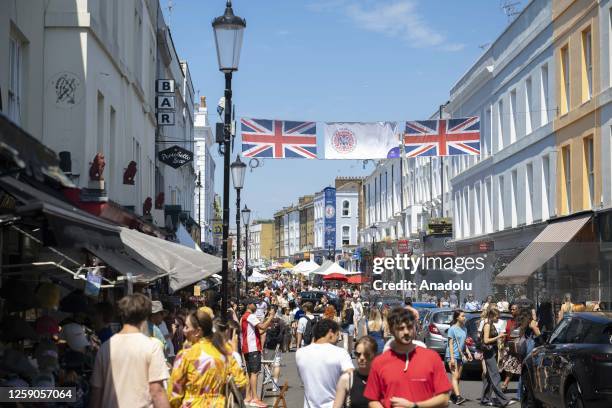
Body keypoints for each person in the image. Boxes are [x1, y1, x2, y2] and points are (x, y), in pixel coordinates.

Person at [90, 294, 170, 408]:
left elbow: (97, 391)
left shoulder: (106, 348)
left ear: (122, 316)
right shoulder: (152, 347)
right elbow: (157, 391)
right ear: (145, 316)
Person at [364, 307, 450, 408]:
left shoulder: (432, 357)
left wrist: (414, 406)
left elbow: (444, 399)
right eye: (401, 328)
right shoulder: (379, 362)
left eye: (409, 327)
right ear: (391, 329)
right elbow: (373, 400)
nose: (406, 332)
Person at [168, 310, 247, 407]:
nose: (184, 330)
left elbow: (174, 394)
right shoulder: (224, 352)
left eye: (187, 327)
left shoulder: (186, 355)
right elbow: (241, 382)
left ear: (197, 331)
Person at [296, 319, 354, 408]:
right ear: (331, 332)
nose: (338, 339)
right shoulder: (340, 353)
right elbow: (351, 378)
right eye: (337, 335)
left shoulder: (300, 353)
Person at [241, 298, 276, 408]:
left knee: (249, 373)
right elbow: (262, 327)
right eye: (254, 304)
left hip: (247, 348)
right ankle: (255, 398)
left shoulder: (243, 317)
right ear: (249, 305)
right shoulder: (250, 316)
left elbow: (260, 331)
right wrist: (271, 316)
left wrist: (266, 324)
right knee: (255, 373)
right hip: (253, 348)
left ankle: (248, 397)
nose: (256, 306)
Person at [480, 308, 515, 407]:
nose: (498, 318)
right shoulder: (487, 325)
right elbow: (486, 340)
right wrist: (498, 337)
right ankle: (503, 400)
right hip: (489, 352)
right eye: (496, 316)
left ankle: (485, 399)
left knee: (488, 377)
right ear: (491, 316)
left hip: (492, 351)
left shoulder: (491, 324)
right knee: (495, 376)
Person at [333, 336, 378, 408]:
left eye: (366, 354)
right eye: (358, 354)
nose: (362, 358)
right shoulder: (347, 379)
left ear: (375, 355)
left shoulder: (381, 379)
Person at [446, 310, 472, 405]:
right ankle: (458, 397)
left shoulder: (464, 328)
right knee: (455, 376)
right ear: (457, 317)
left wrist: (468, 352)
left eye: (464, 316)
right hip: (452, 355)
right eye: (462, 316)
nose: (464, 318)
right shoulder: (452, 329)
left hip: (460, 355)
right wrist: (452, 358)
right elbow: (450, 344)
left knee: (458, 377)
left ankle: (452, 395)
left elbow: (463, 343)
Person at [515, 307, 541, 401]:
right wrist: (535, 328)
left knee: (524, 372)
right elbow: (541, 338)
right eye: (534, 315)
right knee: (529, 373)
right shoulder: (531, 326)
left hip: (524, 350)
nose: (535, 317)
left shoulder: (524, 325)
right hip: (530, 350)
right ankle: (524, 395)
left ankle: (520, 394)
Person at [500, 303, 521, 393]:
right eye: (511, 309)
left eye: (514, 309)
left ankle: (505, 384)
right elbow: (505, 333)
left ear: (518, 310)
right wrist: (502, 343)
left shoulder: (521, 321)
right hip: (508, 346)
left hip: (518, 347)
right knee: (508, 366)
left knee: (512, 366)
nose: (512, 311)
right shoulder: (509, 321)